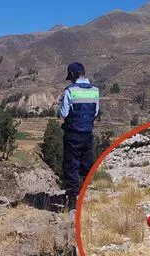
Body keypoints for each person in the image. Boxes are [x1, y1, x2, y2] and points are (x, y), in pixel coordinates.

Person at [58, 62, 99, 210]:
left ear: (73, 75)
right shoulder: (95, 90)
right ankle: (85, 195)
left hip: (73, 134)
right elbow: (95, 113)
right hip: (88, 134)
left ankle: (72, 199)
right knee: (86, 164)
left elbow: (64, 113)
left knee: (71, 165)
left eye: (70, 77)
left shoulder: (70, 90)